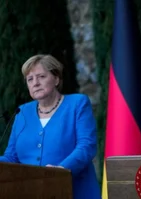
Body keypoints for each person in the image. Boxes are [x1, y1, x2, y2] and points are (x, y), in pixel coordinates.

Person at [0, 54, 101, 199]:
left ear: (56, 79)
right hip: (30, 193)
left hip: (74, 192)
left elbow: (86, 146)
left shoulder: (77, 104)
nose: (35, 83)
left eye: (41, 76)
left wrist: (61, 171)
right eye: (30, 79)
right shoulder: (22, 112)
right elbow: (11, 157)